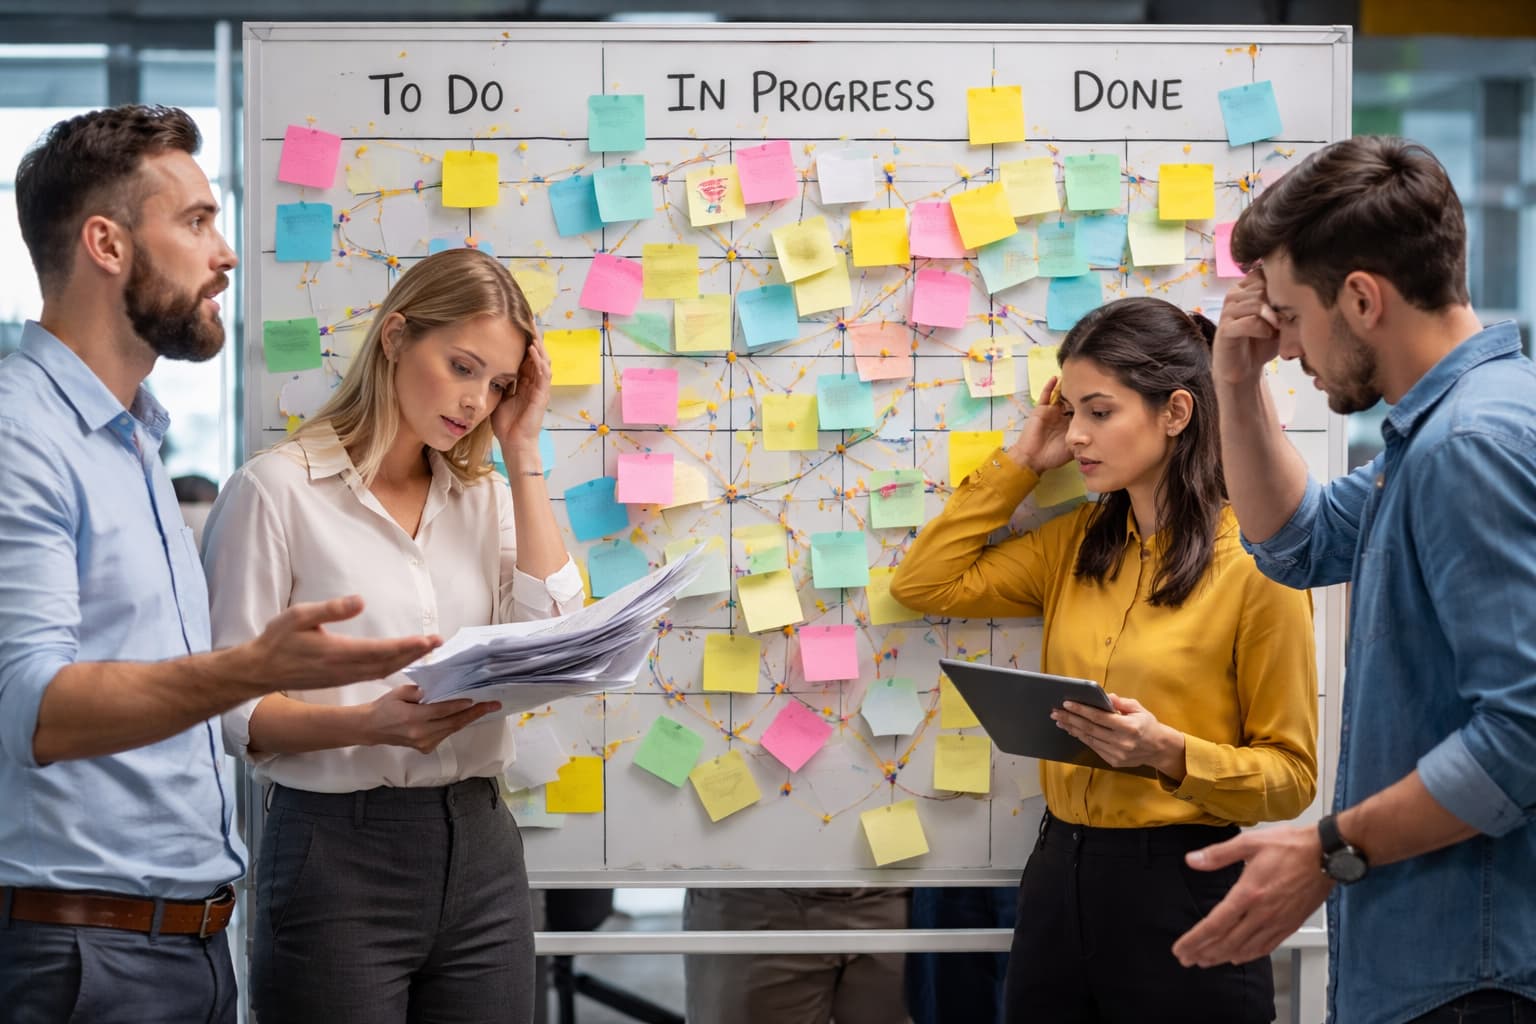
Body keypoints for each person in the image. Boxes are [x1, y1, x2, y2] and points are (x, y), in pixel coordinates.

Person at [0, 104, 438, 1022]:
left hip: (182, 945)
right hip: (79, 955)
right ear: (106, 244)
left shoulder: (132, 438)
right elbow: (31, 711)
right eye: (196, 222)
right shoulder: (19, 433)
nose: (226, 253)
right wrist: (253, 669)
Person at [1173, 137, 1536, 1024]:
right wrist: (1233, 376)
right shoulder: (1439, 433)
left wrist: (1329, 849)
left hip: (1469, 979)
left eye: (1292, 315)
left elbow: (1522, 734)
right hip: (1442, 971)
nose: (1285, 345)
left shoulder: (1469, 447)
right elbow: (1295, 543)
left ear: (1363, 298)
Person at [889, 296, 1319, 1024]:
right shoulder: (1075, 544)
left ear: (1175, 413)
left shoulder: (1256, 563)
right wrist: (1024, 461)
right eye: (1069, 414)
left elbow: (1292, 779)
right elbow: (925, 582)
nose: (1078, 436)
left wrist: (1169, 751)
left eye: (1098, 412)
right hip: (1059, 876)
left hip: (1182, 886)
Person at [201, 245, 583, 1024]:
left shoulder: (484, 497)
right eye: (463, 366)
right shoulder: (275, 491)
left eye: (500, 384)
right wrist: (366, 723)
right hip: (335, 852)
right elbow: (227, 710)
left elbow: (556, 634)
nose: (478, 400)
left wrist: (523, 449)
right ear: (395, 336)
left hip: (480, 842)